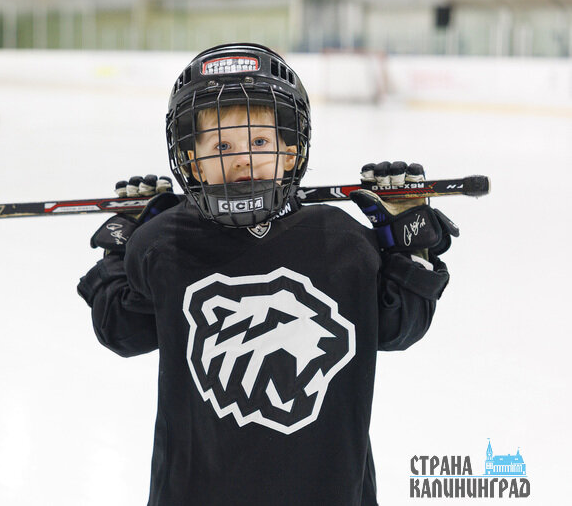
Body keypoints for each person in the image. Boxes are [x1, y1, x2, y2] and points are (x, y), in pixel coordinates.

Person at [77, 43, 458, 506]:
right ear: (192, 161)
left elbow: (400, 326)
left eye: (259, 142)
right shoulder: (165, 244)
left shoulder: (342, 240)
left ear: (291, 153)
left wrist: (409, 242)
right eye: (222, 146)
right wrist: (122, 246)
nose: (243, 158)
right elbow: (121, 331)